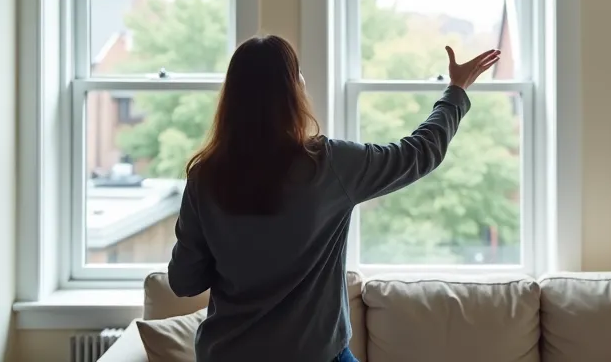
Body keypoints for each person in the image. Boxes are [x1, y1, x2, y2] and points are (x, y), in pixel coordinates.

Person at [167, 34, 501, 362]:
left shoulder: (205, 178)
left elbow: (184, 281)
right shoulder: (330, 165)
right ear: (293, 91)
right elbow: (419, 152)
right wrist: (455, 91)